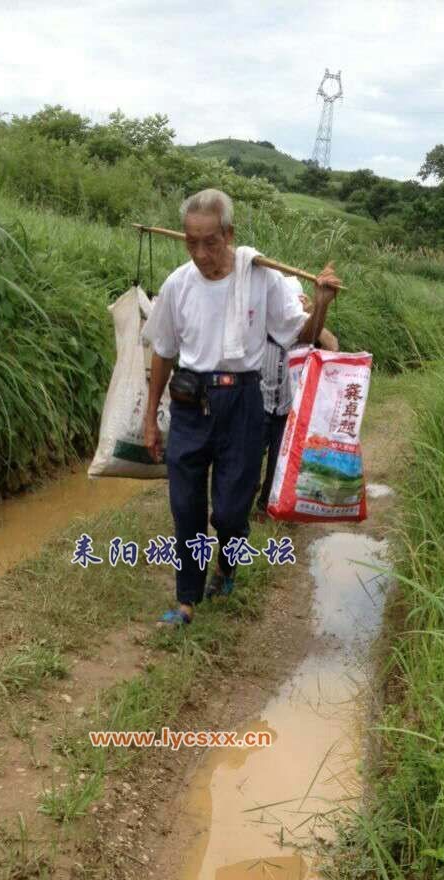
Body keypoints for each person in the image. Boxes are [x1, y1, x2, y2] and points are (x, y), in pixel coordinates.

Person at [141, 188, 343, 628]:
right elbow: (163, 351)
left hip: (243, 404)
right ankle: (186, 601)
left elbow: (302, 334)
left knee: (231, 511)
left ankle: (227, 566)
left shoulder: (261, 277)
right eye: (190, 241)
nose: (200, 252)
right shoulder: (178, 284)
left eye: (210, 241)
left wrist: (322, 303)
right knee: (185, 507)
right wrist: (150, 417)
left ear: (229, 234)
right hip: (191, 402)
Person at [255, 286, 339, 522]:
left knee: (279, 464)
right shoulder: (262, 326)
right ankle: (243, 501)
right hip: (260, 406)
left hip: (288, 409)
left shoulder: (305, 332)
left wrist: (313, 311)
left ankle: (266, 507)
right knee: (250, 460)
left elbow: (333, 345)